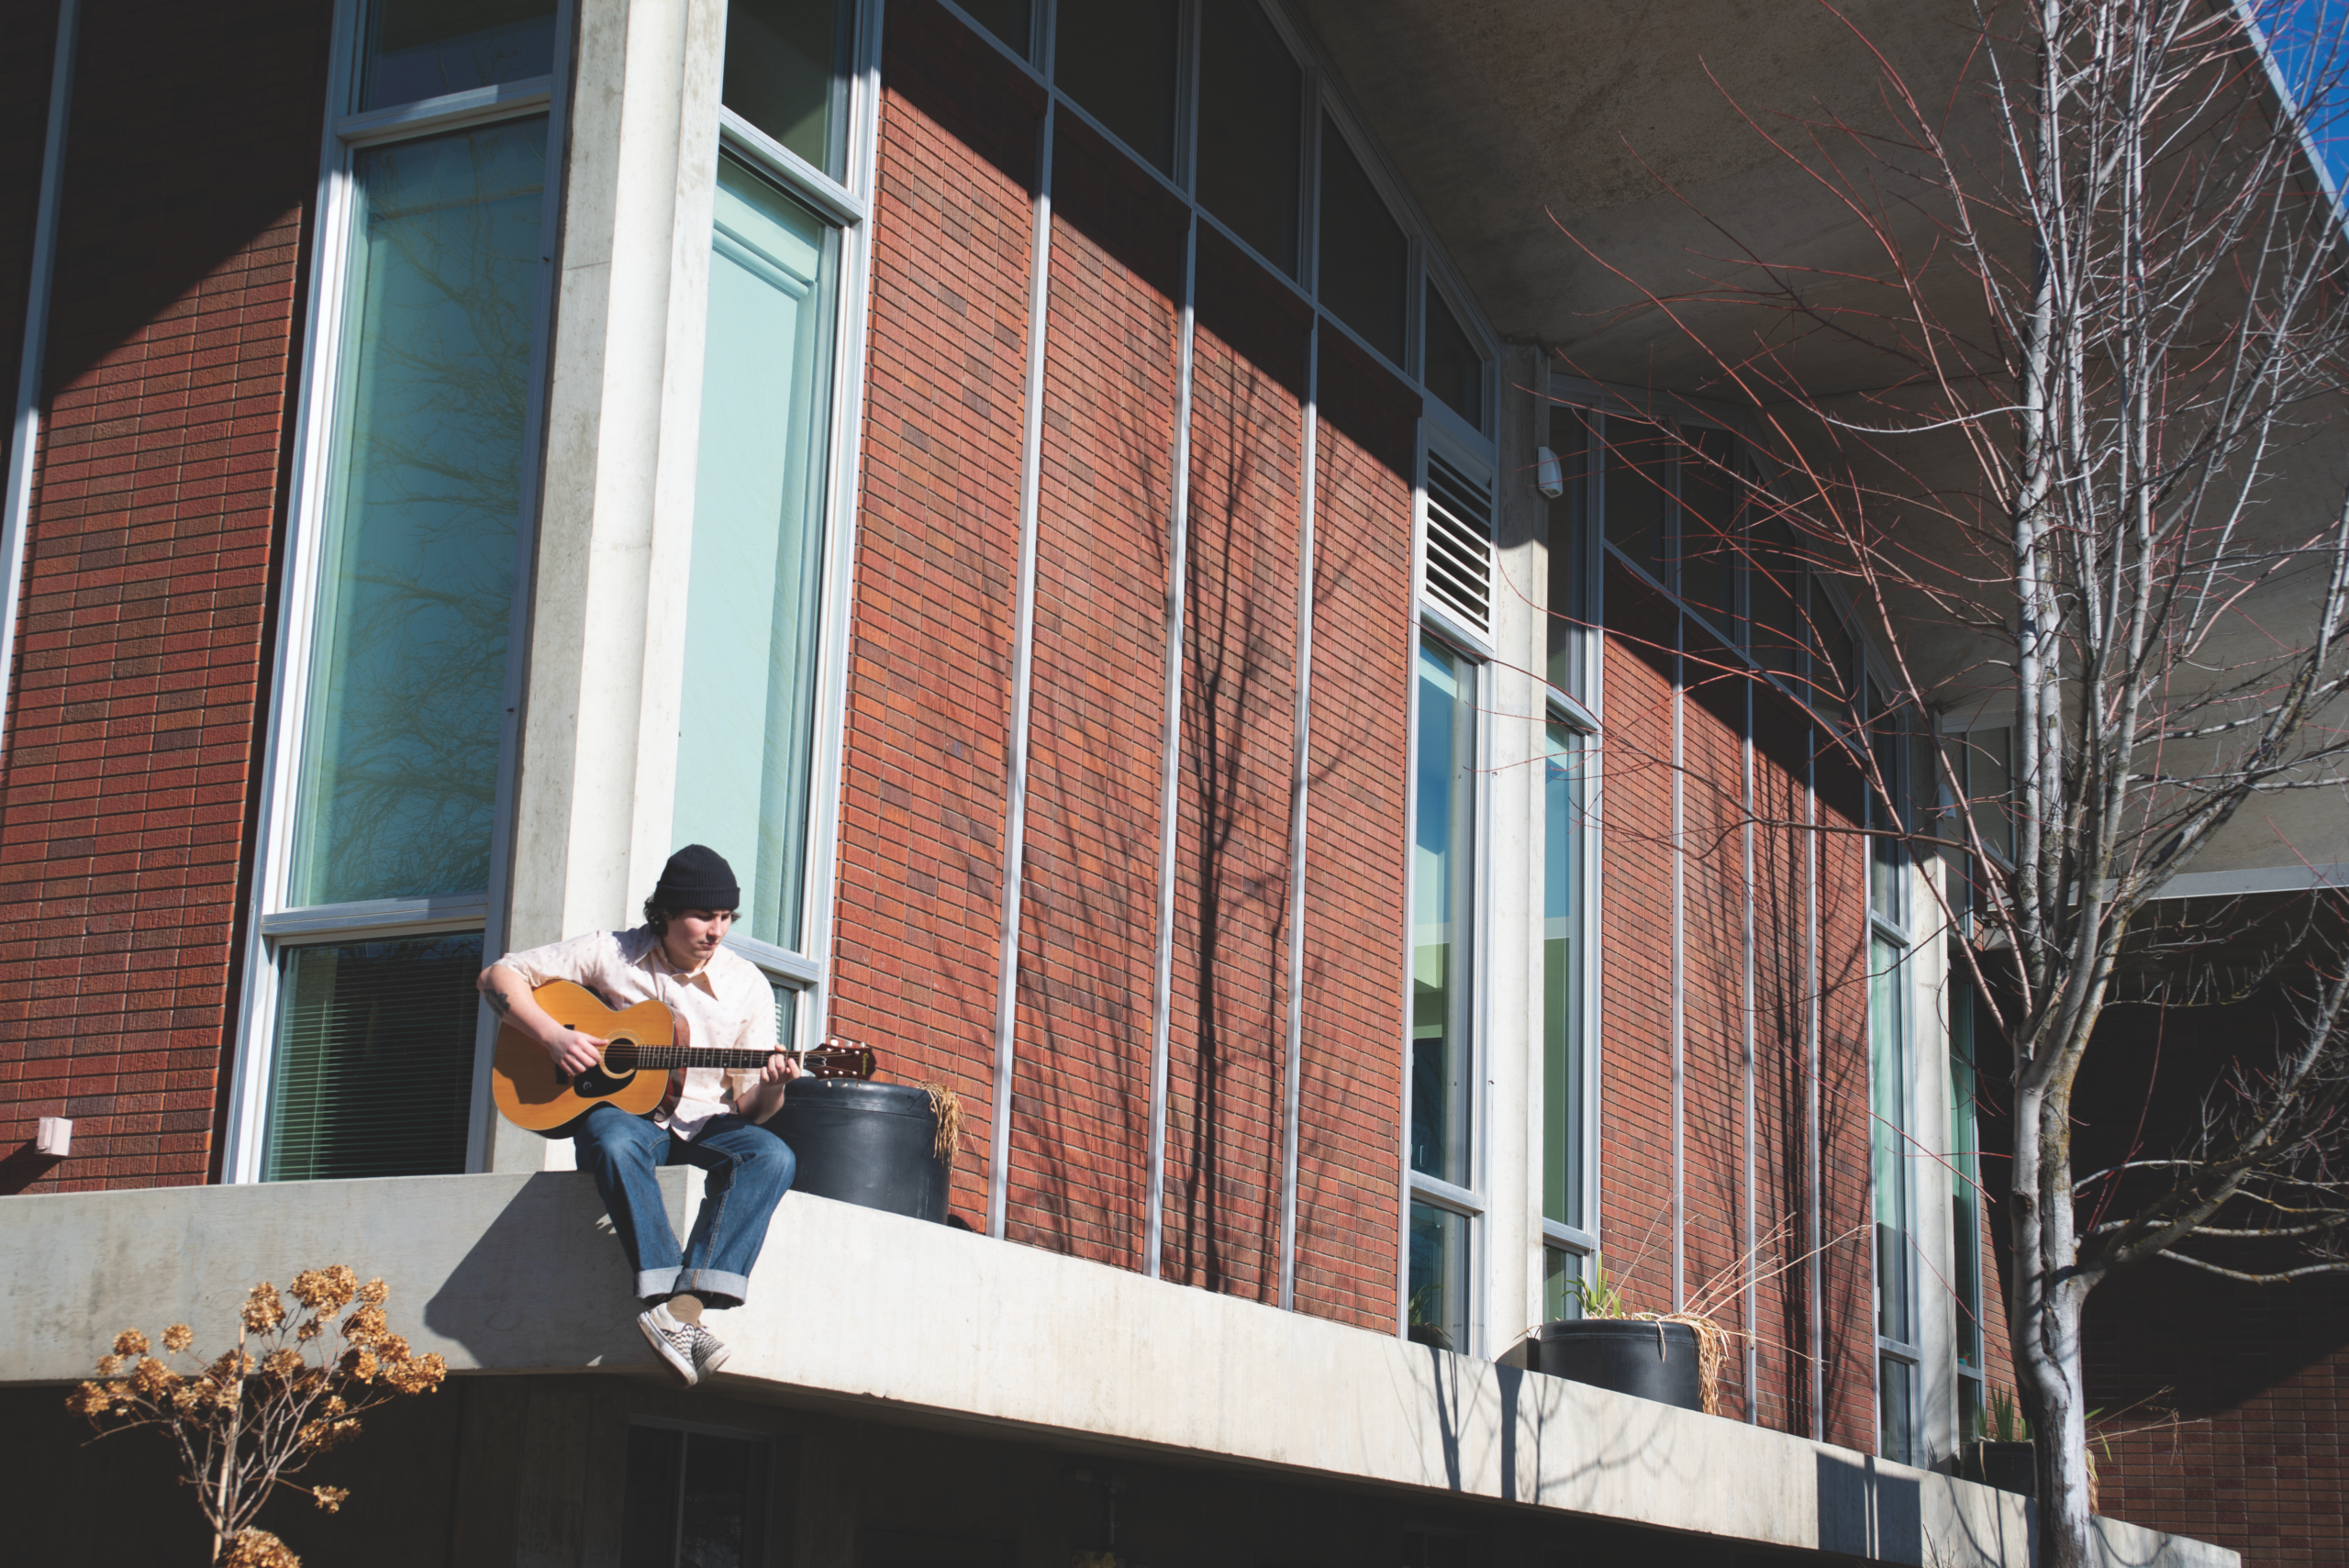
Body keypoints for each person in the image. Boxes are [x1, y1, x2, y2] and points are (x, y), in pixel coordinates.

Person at [477, 844, 800, 1386]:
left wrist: (774, 1086)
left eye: (726, 917)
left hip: (706, 1122)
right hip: (629, 1120)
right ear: (666, 912)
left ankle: (681, 1310)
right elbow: (497, 977)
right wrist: (554, 1036)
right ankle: (668, 1302)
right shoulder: (611, 952)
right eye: (703, 916)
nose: (716, 931)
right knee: (610, 1137)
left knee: (773, 1156)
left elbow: (752, 1110)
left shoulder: (747, 985)